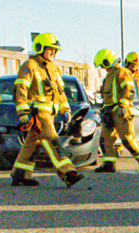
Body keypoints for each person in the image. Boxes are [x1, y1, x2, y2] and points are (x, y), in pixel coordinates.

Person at [10, 33, 84, 187]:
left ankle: (20, 174)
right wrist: (23, 111)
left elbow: (60, 92)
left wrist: (65, 108)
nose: (52, 53)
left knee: (32, 143)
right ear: (40, 48)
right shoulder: (29, 66)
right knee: (53, 141)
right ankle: (68, 173)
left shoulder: (55, 69)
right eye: (50, 49)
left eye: (54, 50)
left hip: (50, 114)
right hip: (38, 114)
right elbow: (20, 90)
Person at [94, 48, 139, 174]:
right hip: (109, 112)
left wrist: (123, 106)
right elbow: (107, 96)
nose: (102, 67)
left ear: (108, 61)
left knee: (127, 138)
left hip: (120, 111)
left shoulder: (121, 72)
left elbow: (129, 90)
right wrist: (103, 107)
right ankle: (109, 164)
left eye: (103, 64)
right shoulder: (108, 76)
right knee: (105, 139)